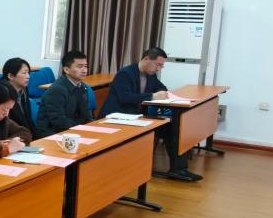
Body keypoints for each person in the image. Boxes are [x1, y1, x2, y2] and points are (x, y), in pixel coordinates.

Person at [101, 47, 200, 182]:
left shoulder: (150, 75)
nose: (159, 69)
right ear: (146, 59)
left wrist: (161, 93)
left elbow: (162, 88)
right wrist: (152, 96)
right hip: (119, 117)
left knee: (173, 127)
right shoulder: (125, 74)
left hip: (137, 116)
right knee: (165, 126)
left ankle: (178, 169)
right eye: (158, 64)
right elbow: (125, 98)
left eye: (161, 66)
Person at [36, 50, 92, 136]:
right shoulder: (57, 90)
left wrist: (92, 126)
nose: (84, 70)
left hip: (72, 130)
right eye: (80, 67)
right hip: (53, 133)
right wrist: (81, 130)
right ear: (66, 69)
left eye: (86, 66)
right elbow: (59, 120)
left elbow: (85, 114)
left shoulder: (82, 86)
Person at [1, 57, 37, 138]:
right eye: (24, 73)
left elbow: (27, 118)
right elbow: (5, 124)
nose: (28, 77)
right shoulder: (2, 92)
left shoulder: (23, 88)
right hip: (10, 135)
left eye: (28, 73)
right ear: (10, 76)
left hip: (24, 133)